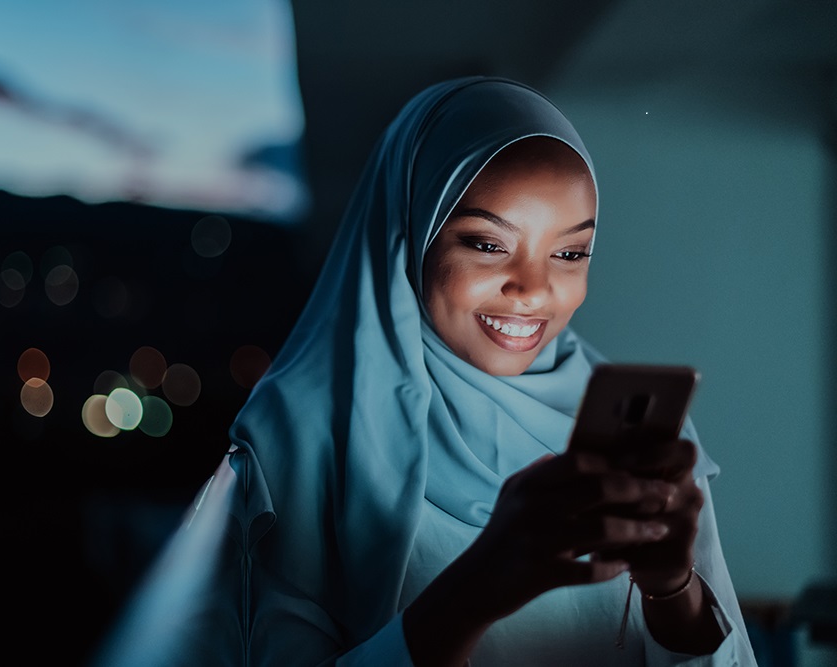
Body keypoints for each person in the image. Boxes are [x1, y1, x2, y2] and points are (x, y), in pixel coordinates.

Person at [201, 77, 757, 665]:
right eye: (488, 245)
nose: (533, 289)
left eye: (570, 253)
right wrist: (480, 588)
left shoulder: (642, 436)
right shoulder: (301, 436)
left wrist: (673, 588)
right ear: (408, 235)